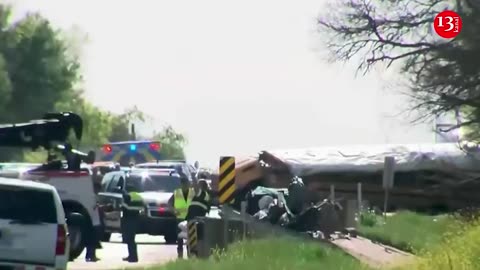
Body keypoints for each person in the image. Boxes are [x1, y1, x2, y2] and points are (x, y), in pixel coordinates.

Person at [169, 176, 195, 258]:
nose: (185, 185)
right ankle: (180, 255)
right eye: (183, 184)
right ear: (181, 184)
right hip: (179, 218)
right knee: (179, 238)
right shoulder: (177, 192)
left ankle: (189, 254)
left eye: (186, 184)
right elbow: (169, 203)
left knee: (190, 237)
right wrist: (173, 211)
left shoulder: (193, 193)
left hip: (190, 218)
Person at [120, 180, 144, 262]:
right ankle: (132, 256)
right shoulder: (139, 196)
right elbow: (142, 207)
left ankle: (132, 257)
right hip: (136, 219)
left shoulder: (127, 196)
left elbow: (124, 207)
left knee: (129, 239)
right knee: (132, 238)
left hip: (128, 218)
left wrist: (121, 203)